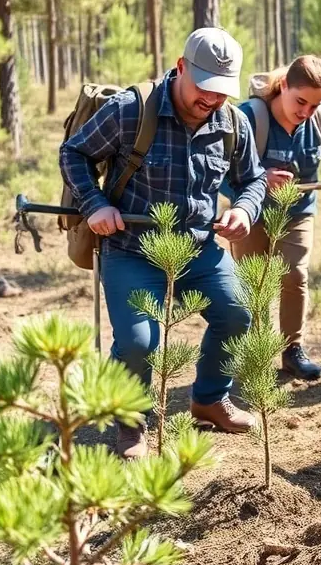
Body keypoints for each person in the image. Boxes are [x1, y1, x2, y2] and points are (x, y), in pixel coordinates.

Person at [60, 27, 267, 459]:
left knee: (238, 313)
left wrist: (244, 209)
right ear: (180, 68)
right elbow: (73, 153)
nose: (211, 100)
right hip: (131, 249)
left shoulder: (233, 122)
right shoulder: (131, 111)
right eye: (204, 88)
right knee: (139, 343)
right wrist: (95, 203)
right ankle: (131, 423)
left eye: (221, 91)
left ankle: (209, 399)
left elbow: (253, 180)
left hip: (199, 249)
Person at [224, 56, 321, 381]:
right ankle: (256, 350)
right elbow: (218, 170)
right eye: (300, 101)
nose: (306, 112)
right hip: (250, 214)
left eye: (315, 104)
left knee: (294, 275)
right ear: (283, 86)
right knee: (254, 282)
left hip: (297, 214)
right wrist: (257, 179)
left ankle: (292, 350)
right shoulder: (249, 117)